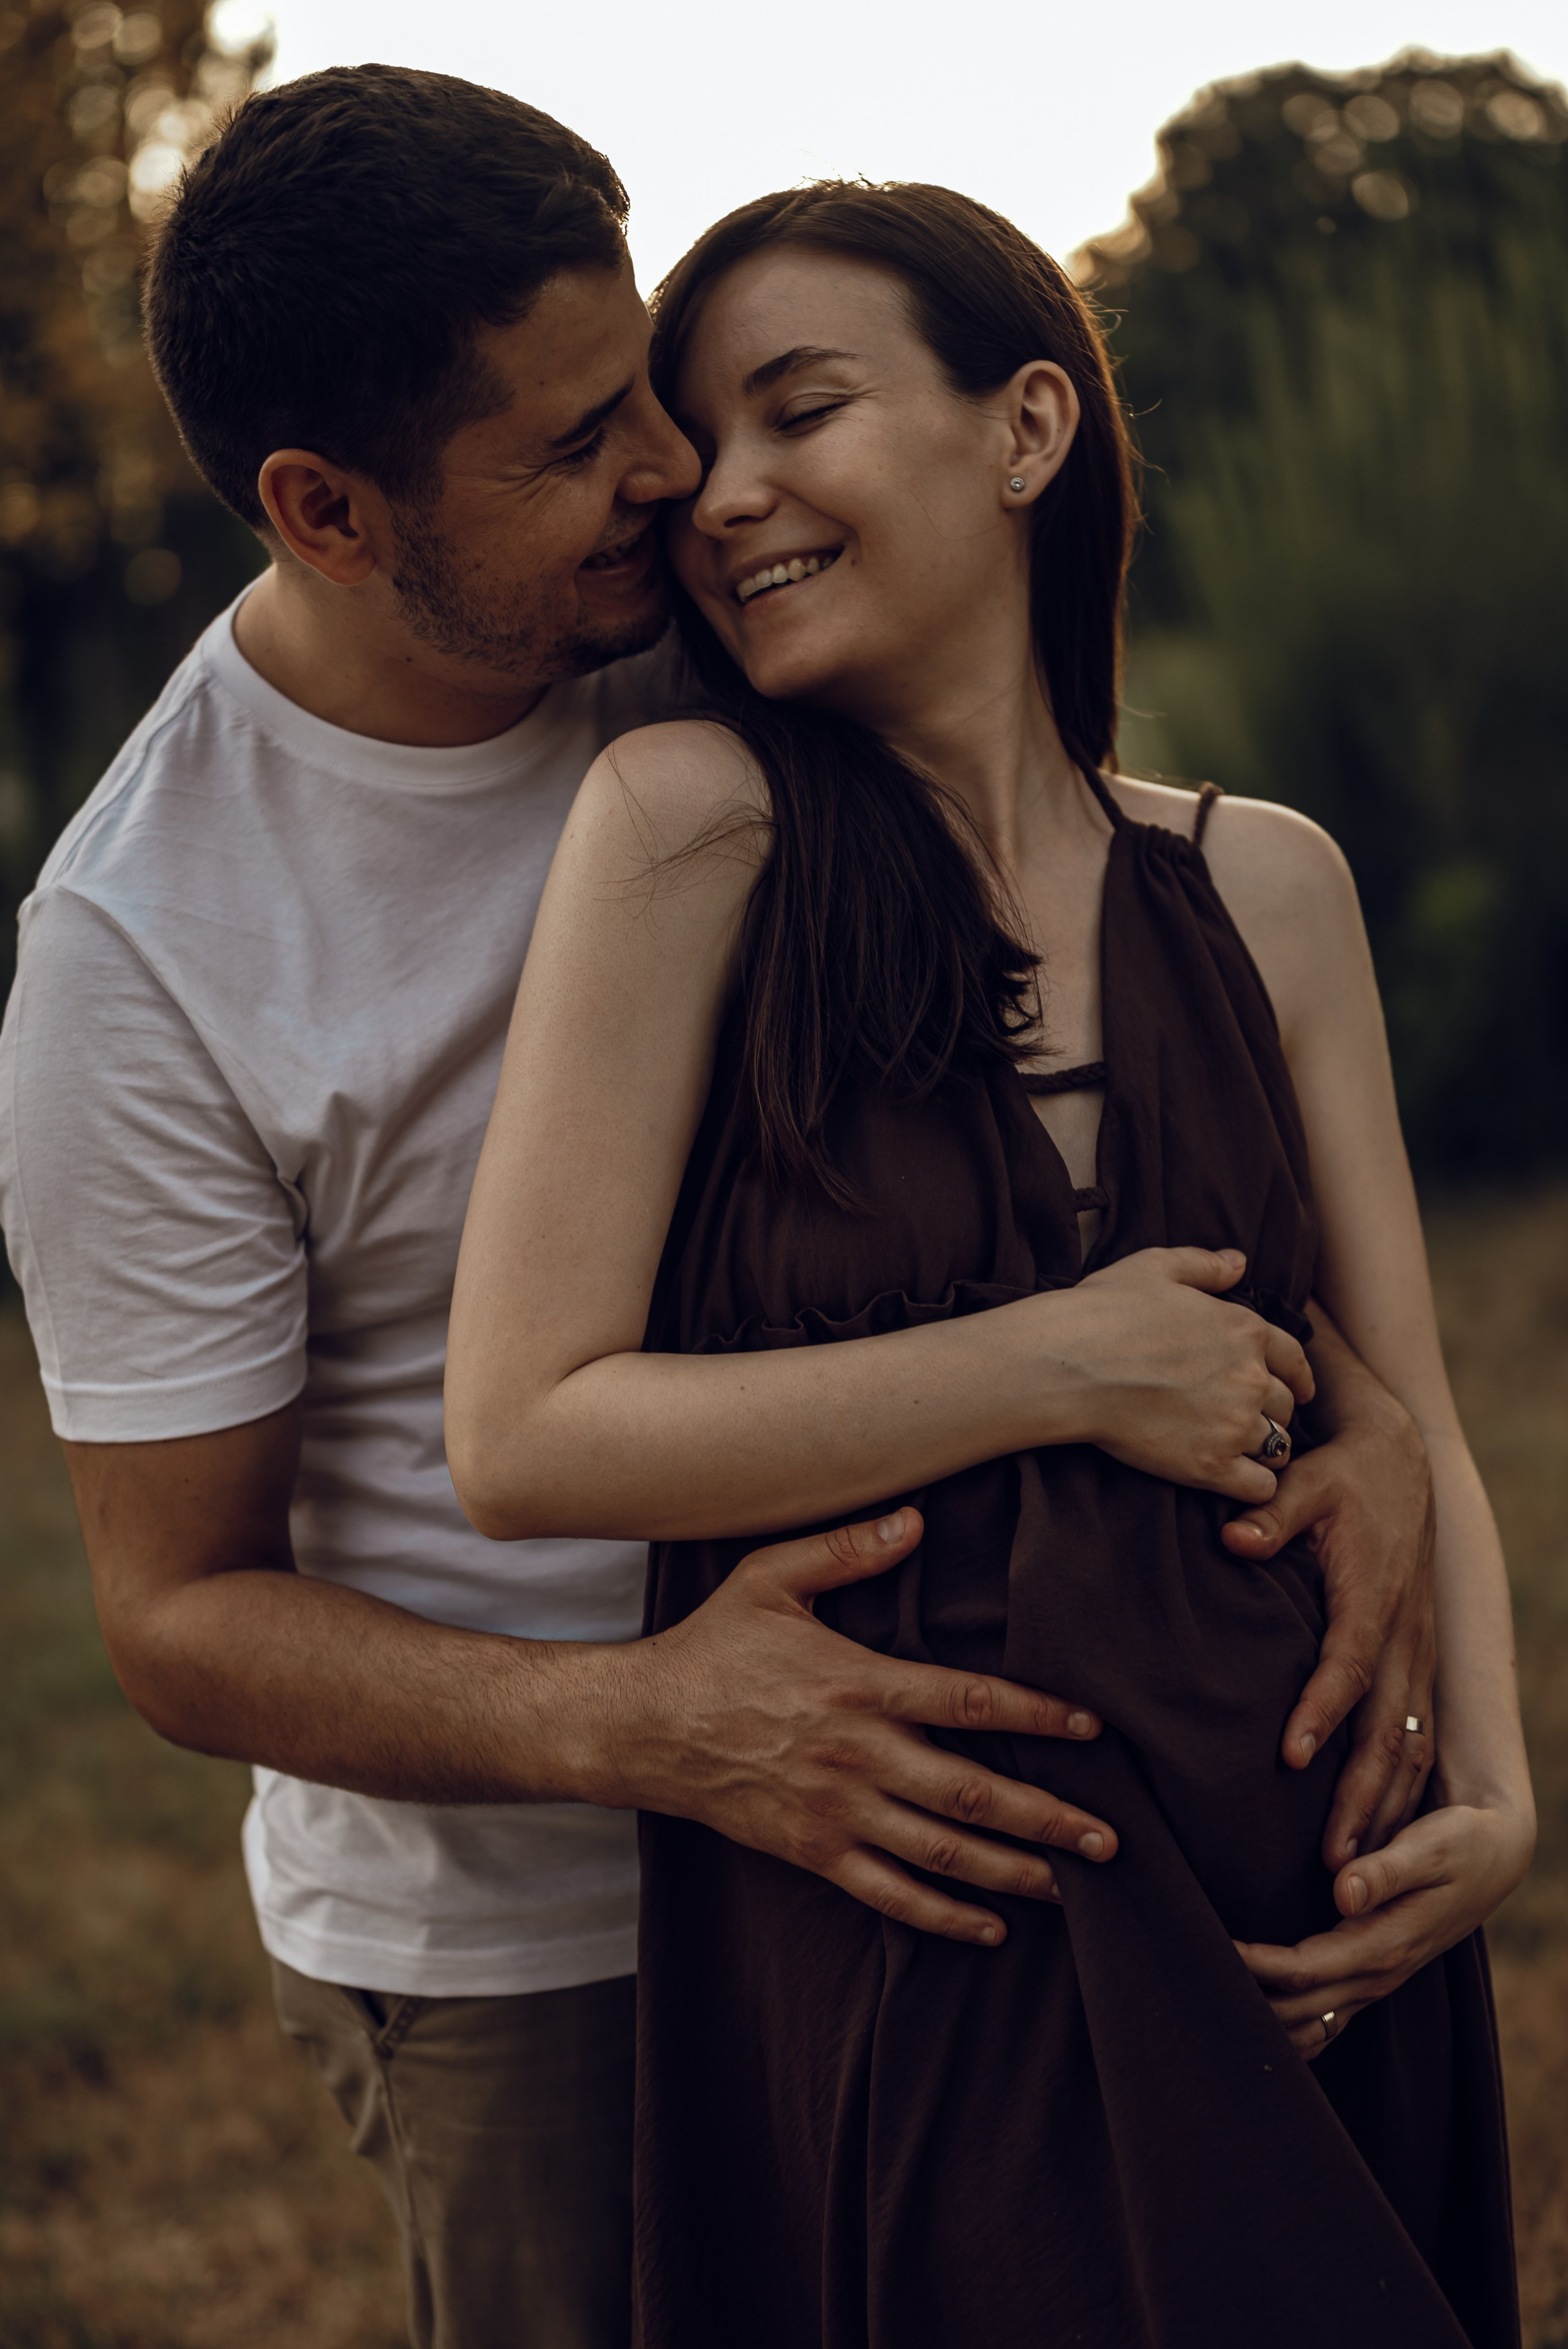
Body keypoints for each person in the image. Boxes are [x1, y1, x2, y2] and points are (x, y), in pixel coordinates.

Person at [0, 67, 1436, 2349]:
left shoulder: (711, 640)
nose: (673, 476)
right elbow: (177, 1617)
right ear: (328, 510)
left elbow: (1081, 1064)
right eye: (582, 441)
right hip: (535, 1926)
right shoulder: (144, 957)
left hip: (974, 1824)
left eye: (650, 393)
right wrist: (656, 1724)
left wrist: (1360, 1406)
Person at [443, 183, 1534, 2345]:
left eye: (801, 412)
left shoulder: (1268, 883)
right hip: (934, 1932)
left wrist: (1493, 1796)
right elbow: (528, 1430)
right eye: (700, 445)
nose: (722, 495)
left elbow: (1410, 1404)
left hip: (1321, 1932)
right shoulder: (693, 825)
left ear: (1028, 427)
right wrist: (1058, 1362)